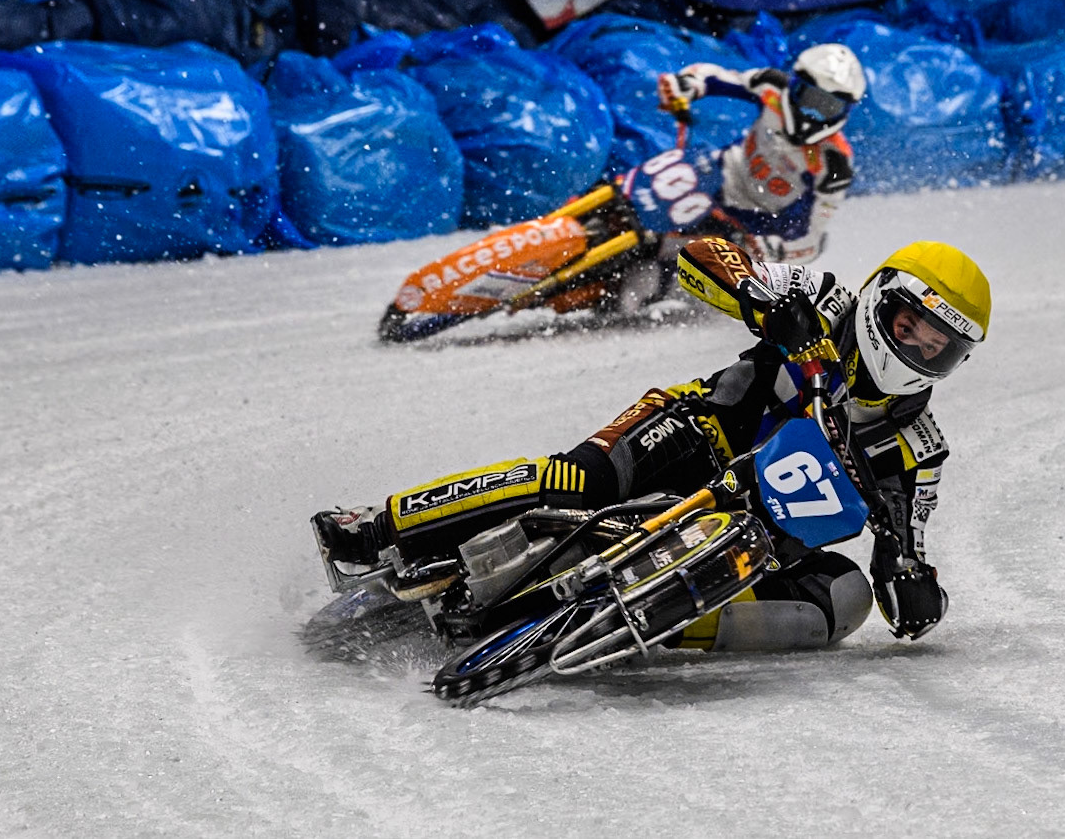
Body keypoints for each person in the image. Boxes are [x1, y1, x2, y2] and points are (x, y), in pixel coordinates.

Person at [315, 233, 991, 651]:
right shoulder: (823, 297)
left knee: (842, 603)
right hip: (693, 433)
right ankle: (380, 524)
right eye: (912, 328)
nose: (919, 350)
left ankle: (637, 627)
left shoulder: (919, 447)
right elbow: (705, 253)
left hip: (753, 537)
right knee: (581, 481)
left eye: (939, 347)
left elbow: (906, 555)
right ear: (882, 302)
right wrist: (759, 301)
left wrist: (913, 585)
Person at [633, 42, 864, 266]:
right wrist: (689, 84)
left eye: (827, 107)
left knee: (709, 271)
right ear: (795, 85)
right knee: (647, 187)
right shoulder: (772, 86)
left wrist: (780, 246)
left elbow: (812, 237)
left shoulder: (835, 164)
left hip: (757, 226)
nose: (812, 114)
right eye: (808, 98)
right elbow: (721, 77)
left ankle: (661, 291)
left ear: (844, 112)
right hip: (720, 174)